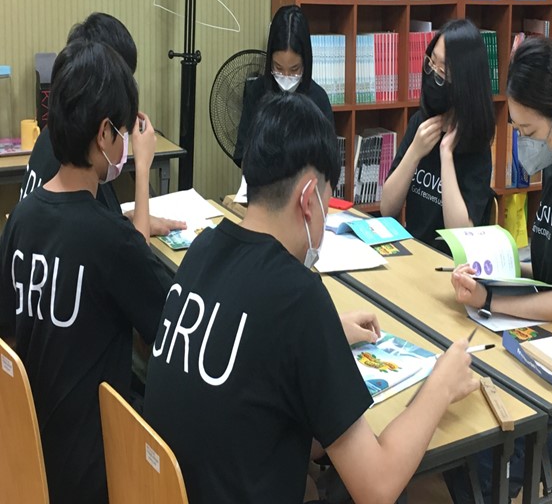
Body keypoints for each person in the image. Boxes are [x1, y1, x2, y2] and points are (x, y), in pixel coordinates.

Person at [143, 93, 479, 504]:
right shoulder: (297, 296)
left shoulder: (203, 250)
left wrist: (325, 338)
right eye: (327, 202)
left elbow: (254, 353)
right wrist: (440, 386)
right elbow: (377, 488)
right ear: (308, 200)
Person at [0, 40, 174, 504]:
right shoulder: (110, 239)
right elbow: (173, 330)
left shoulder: (21, 219)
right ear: (103, 134)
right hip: (92, 473)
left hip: (29, 458)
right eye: (122, 132)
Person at [447, 35, 552, 501]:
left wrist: (491, 298)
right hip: (543, 351)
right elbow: (544, 271)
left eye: (527, 130)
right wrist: (491, 273)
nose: (522, 142)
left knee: (477, 440)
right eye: (516, 128)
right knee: (461, 414)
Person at [20, 12, 182, 236]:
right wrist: (143, 167)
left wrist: (131, 219)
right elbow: (134, 251)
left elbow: (87, 223)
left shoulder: (53, 138)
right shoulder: (83, 164)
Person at [381, 20, 495, 249]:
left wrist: (446, 155)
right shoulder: (420, 123)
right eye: (431, 63)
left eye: (443, 70)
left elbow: (461, 237)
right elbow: (387, 208)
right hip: (414, 251)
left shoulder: (477, 147)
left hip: (451, 263)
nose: (433, 75)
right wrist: (415, 152)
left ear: (465, 81)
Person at [233, 4, 335, 167]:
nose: (286, 77)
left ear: (306, 63)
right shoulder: (257, 92)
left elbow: (329, 161)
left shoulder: (318, 99)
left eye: (294, 69)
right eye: (278, 68)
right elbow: (243, 153)